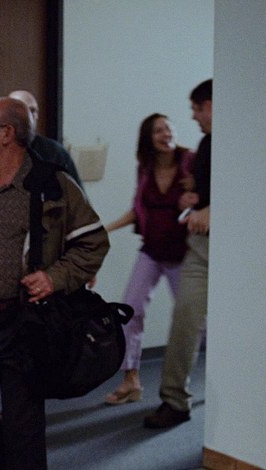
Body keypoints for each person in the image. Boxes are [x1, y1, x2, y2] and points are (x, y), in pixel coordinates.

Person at [0, 96, 109, 469]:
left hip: (24, 325)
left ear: (7, 134)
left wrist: (55, 278)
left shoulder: (52, 184)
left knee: (23, 431)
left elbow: (93, 243)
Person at [103, 113, 195, 406]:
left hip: (184, 255)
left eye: (169, 128)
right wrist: (105, 229)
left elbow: (208, 200)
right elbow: (137, 210)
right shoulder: (145, 168)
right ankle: (131, 380)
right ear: (149, 138)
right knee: (130, 310)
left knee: (197, 321)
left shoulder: (191, 162)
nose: (166, 134)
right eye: (159, 130)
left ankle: (217, 375)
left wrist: (196, 198)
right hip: (152, 251)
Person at [143, 79, 212, 428]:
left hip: (238, 250)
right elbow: (204, 193)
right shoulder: (206, 145)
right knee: (185, 319)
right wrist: (195, 200)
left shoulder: (245, 141)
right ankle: (174, 401)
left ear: (211, 105)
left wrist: (214, 209)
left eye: (197, 109)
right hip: (201, 248)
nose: (194, 117)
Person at [0, 89, 83, 188]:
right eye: (23, 111)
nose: (29, 117)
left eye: (33, 111)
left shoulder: (56, 153)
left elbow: (76, 199)